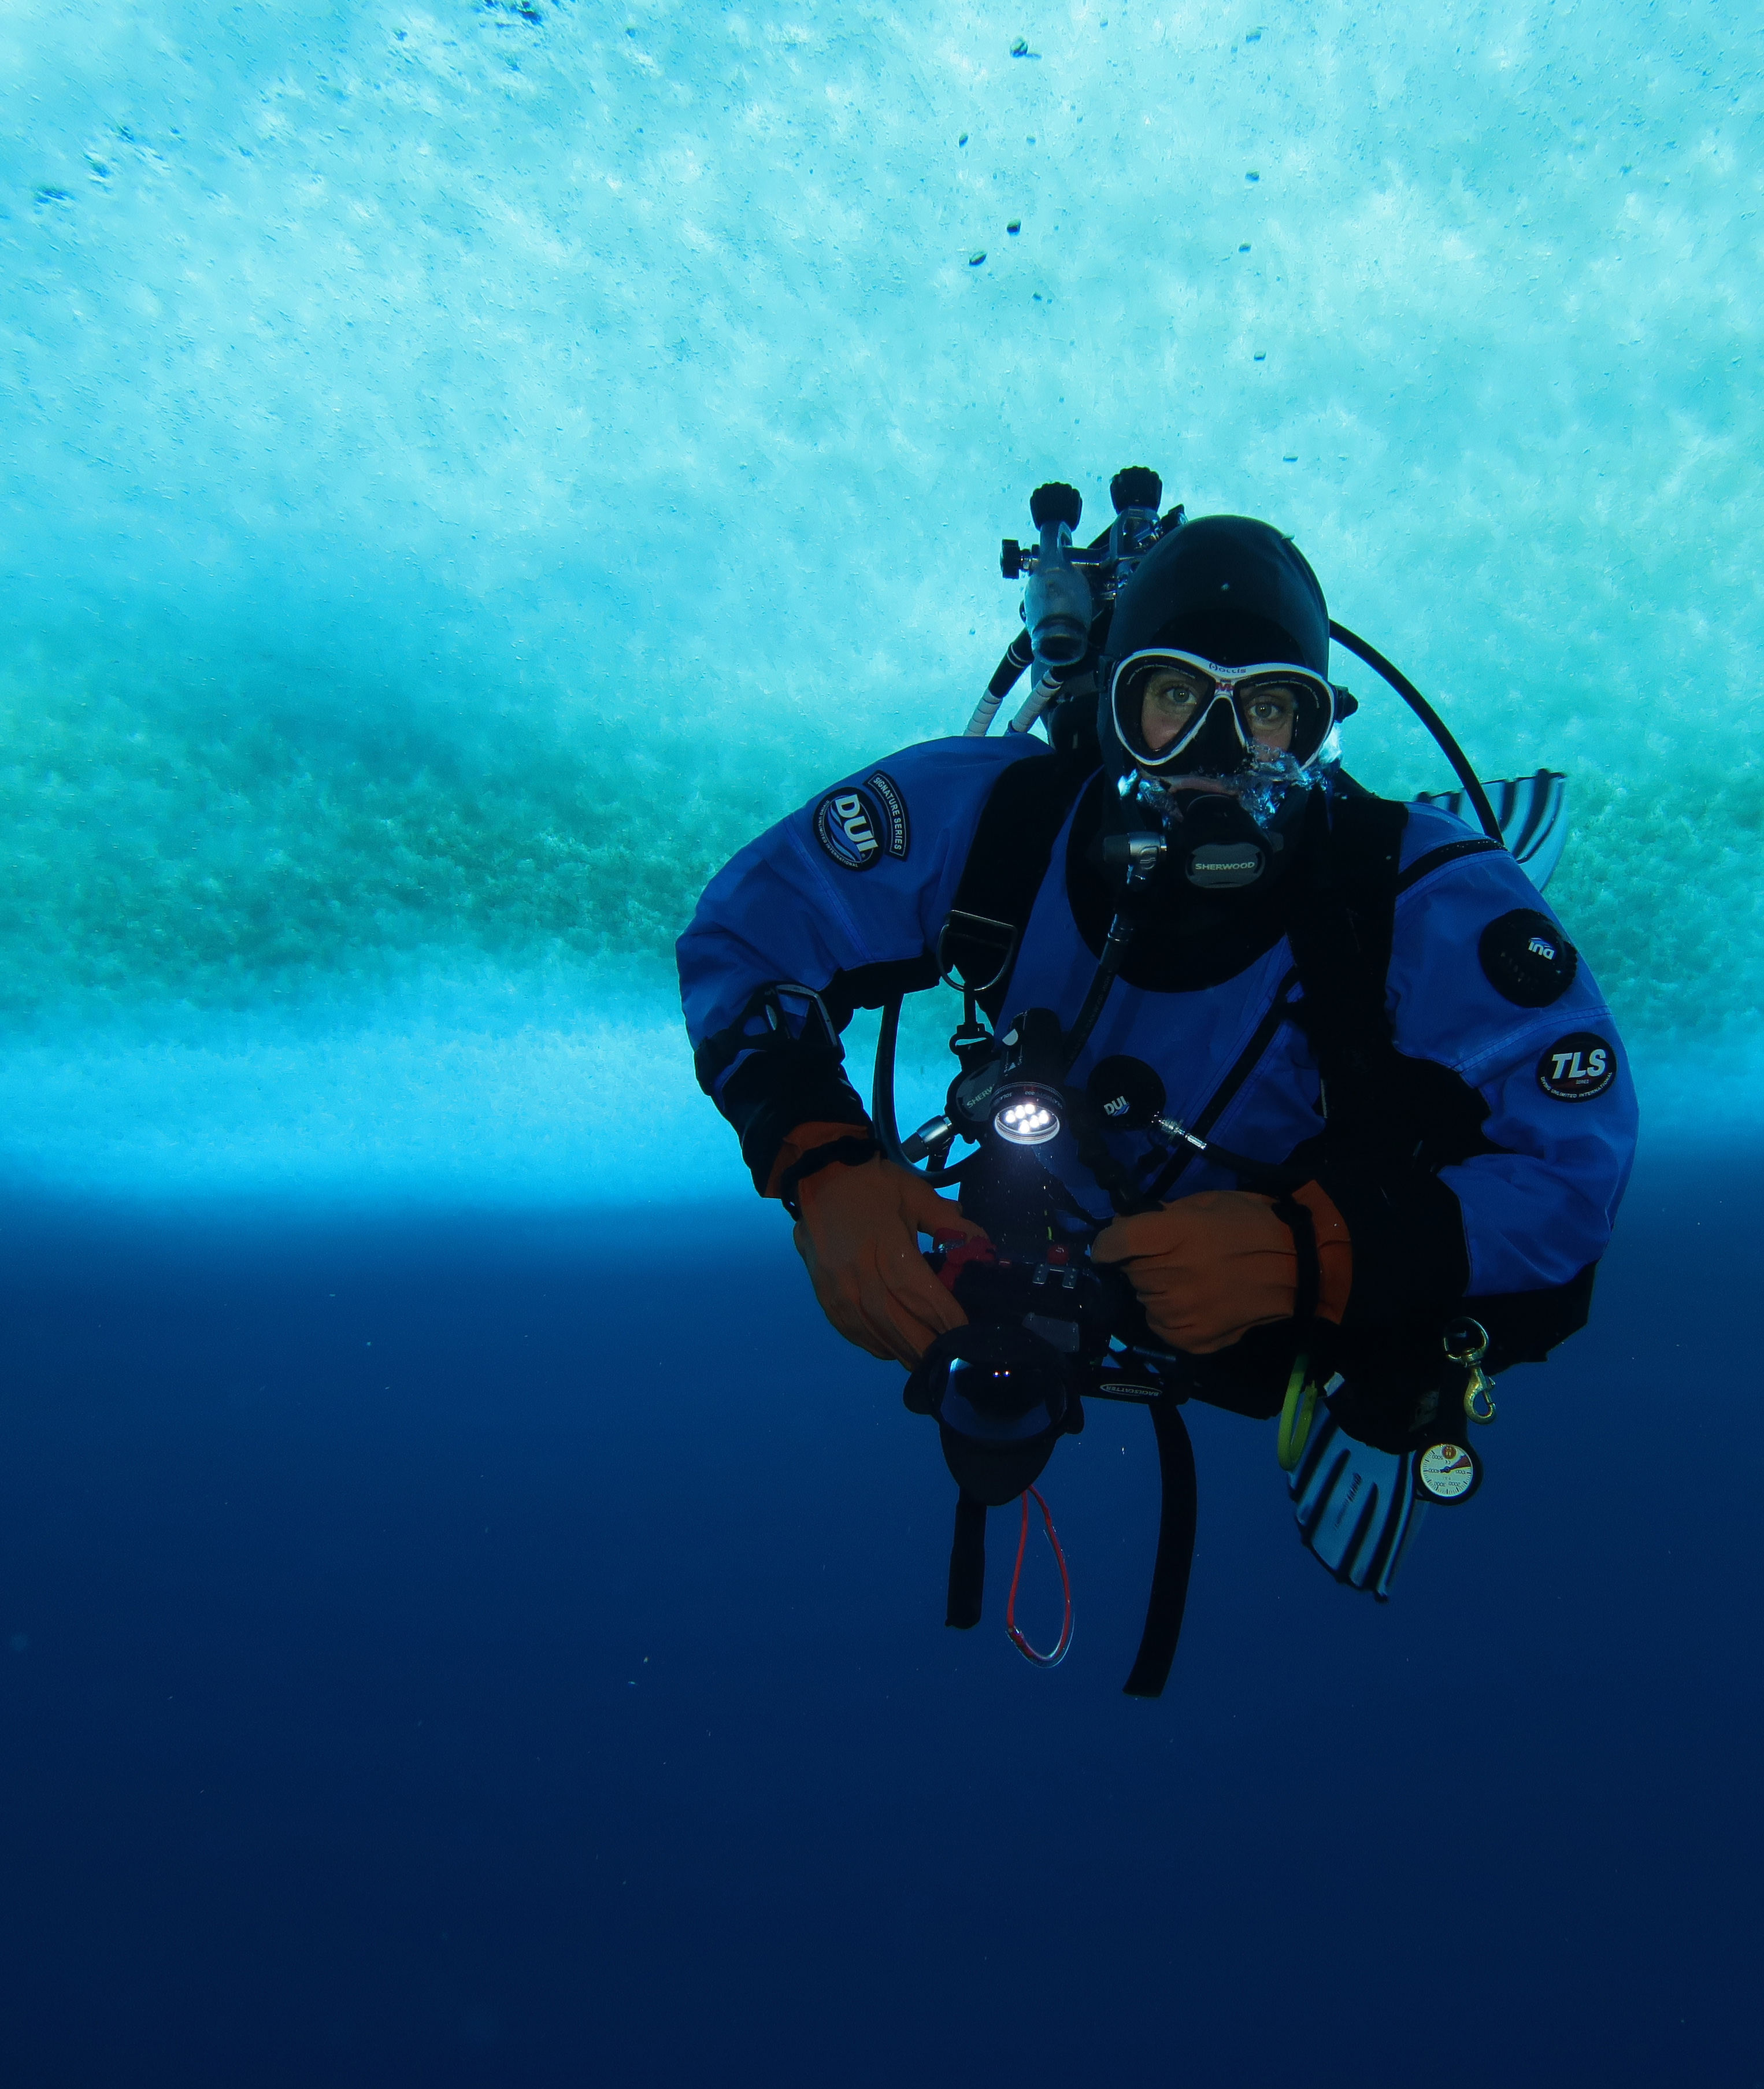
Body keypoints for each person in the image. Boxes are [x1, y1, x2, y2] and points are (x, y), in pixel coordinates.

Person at [677, 510, 1635, 1464]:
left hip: (1292, 1271)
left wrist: (1312, 1255)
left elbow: (1573, 1165)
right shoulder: (992, 817)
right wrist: (825, 1165)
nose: (1218, 755)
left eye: (1267, 710)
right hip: (1056, 1218)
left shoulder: (1420, 899)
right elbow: (748, 932)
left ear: (1315, 730)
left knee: (1424, 1363)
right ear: (1110, 709)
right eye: (1173, 695)